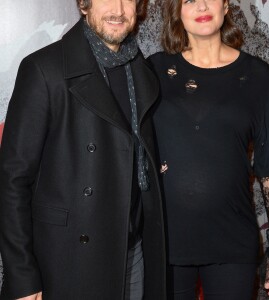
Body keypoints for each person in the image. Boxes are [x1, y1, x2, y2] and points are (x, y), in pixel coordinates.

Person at [0, 0, 166, 299]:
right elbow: (12, 181)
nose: (118, 9)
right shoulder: (44, 69)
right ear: (83, 4)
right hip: (69, 260)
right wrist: (21, 274)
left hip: (134, 252)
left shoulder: (140, 71)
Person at [148, 0, 269, 299]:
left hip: (232, 240)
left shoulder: (257, 75)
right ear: (176, 10)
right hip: (166, 240)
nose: (201, 5)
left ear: (226, 5)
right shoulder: (153, 71)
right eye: (188, 0)